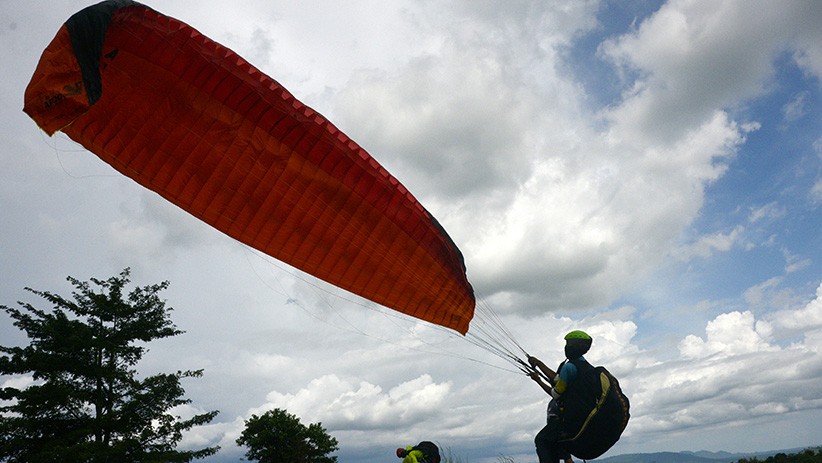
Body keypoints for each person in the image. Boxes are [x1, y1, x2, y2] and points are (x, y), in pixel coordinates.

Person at [528, 330, 594, 463]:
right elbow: (558, 379)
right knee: (554, 443)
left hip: (567, 419)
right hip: (581, 417)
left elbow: (555, 394)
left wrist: (538, 380)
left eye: (568, 344)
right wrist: (539, 364)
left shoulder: (569, 367)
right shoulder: (585, 367)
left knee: (542, 441)